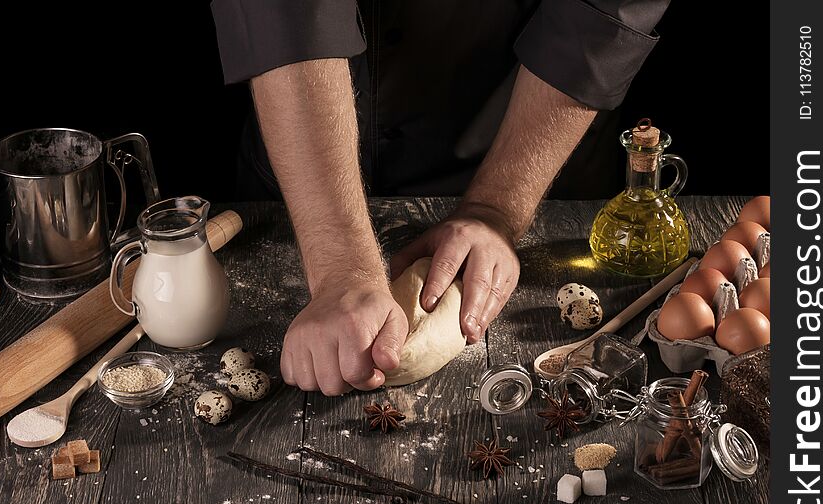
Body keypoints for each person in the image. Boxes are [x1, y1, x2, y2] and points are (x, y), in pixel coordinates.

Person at [211, 0, 670, 396]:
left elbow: (600, 14)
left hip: (523, 125)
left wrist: (496, 209)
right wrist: (338, 265)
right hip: (303, 160)